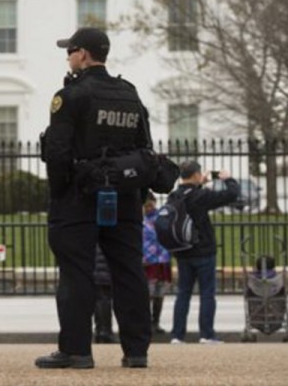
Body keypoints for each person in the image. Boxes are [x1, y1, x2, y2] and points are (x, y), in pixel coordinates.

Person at [36, 27, 155, 370]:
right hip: (125, 196)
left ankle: (76, 350)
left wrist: (59, 194)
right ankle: (136, 351)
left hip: (79, 195)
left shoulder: (70, 96)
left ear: (83, 54)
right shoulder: (129, 94)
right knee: (129, 272)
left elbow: (57, 153)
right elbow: (144, 149)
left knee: (76, 273)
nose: (68, 57)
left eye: (70, 51)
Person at [169, 160, 239, 345]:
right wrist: (228, 178)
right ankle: (206, 334)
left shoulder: (175, 196)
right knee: (207, 293)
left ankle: (177, 335)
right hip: (203, 251)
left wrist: (200, 183)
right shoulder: (200, 196)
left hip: (182, 251)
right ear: (195, 175)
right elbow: (231, 194)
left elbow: (188, 194)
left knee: (183, 293)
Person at [143, 192, 172, 335]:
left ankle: (156, 322)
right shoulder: (140, 220)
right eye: (146, 205)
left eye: (150, 205)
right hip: (148, 261)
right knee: (148, 292)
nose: (148, 208)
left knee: (160, 292)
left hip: (162, 260)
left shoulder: (161, 219)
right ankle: (146, 323)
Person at [93, 246, 117, 344]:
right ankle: (105, 330)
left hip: (95, 268)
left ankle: (99, 329)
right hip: (105, 269)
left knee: (99, 300)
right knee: (105, 300)